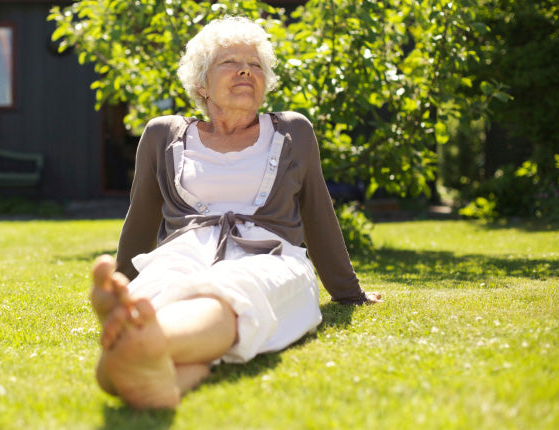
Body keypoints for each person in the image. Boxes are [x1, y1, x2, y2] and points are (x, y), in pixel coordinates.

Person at [90, 16, 382, 410]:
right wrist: (122, 282)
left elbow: (318, 214)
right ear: (201, 84)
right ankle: (161, 370)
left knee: (236, 291)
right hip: (184, 252)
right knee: (160, 285)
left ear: (265, 83)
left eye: (256, 64)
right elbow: (141, 217)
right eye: (230, 62)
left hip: (269, 255)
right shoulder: (163, 134)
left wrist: (349, 293)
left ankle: (139, 342)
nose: (246, 69)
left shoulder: (293, 131)